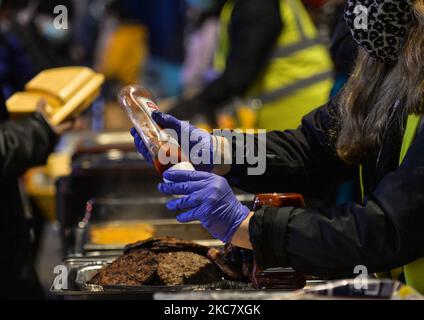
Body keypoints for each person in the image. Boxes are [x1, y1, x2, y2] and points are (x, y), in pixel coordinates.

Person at [132, 0, 424, 294]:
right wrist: (221, 152)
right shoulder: (388, 63)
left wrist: (248, 226)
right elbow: (312, 148)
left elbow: (385, 229)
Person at [170, 0, 334, 130]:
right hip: (294, 112)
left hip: (297, 114)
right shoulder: (237, 5)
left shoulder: (256, 5)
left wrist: (186, 108)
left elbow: (238, 77)